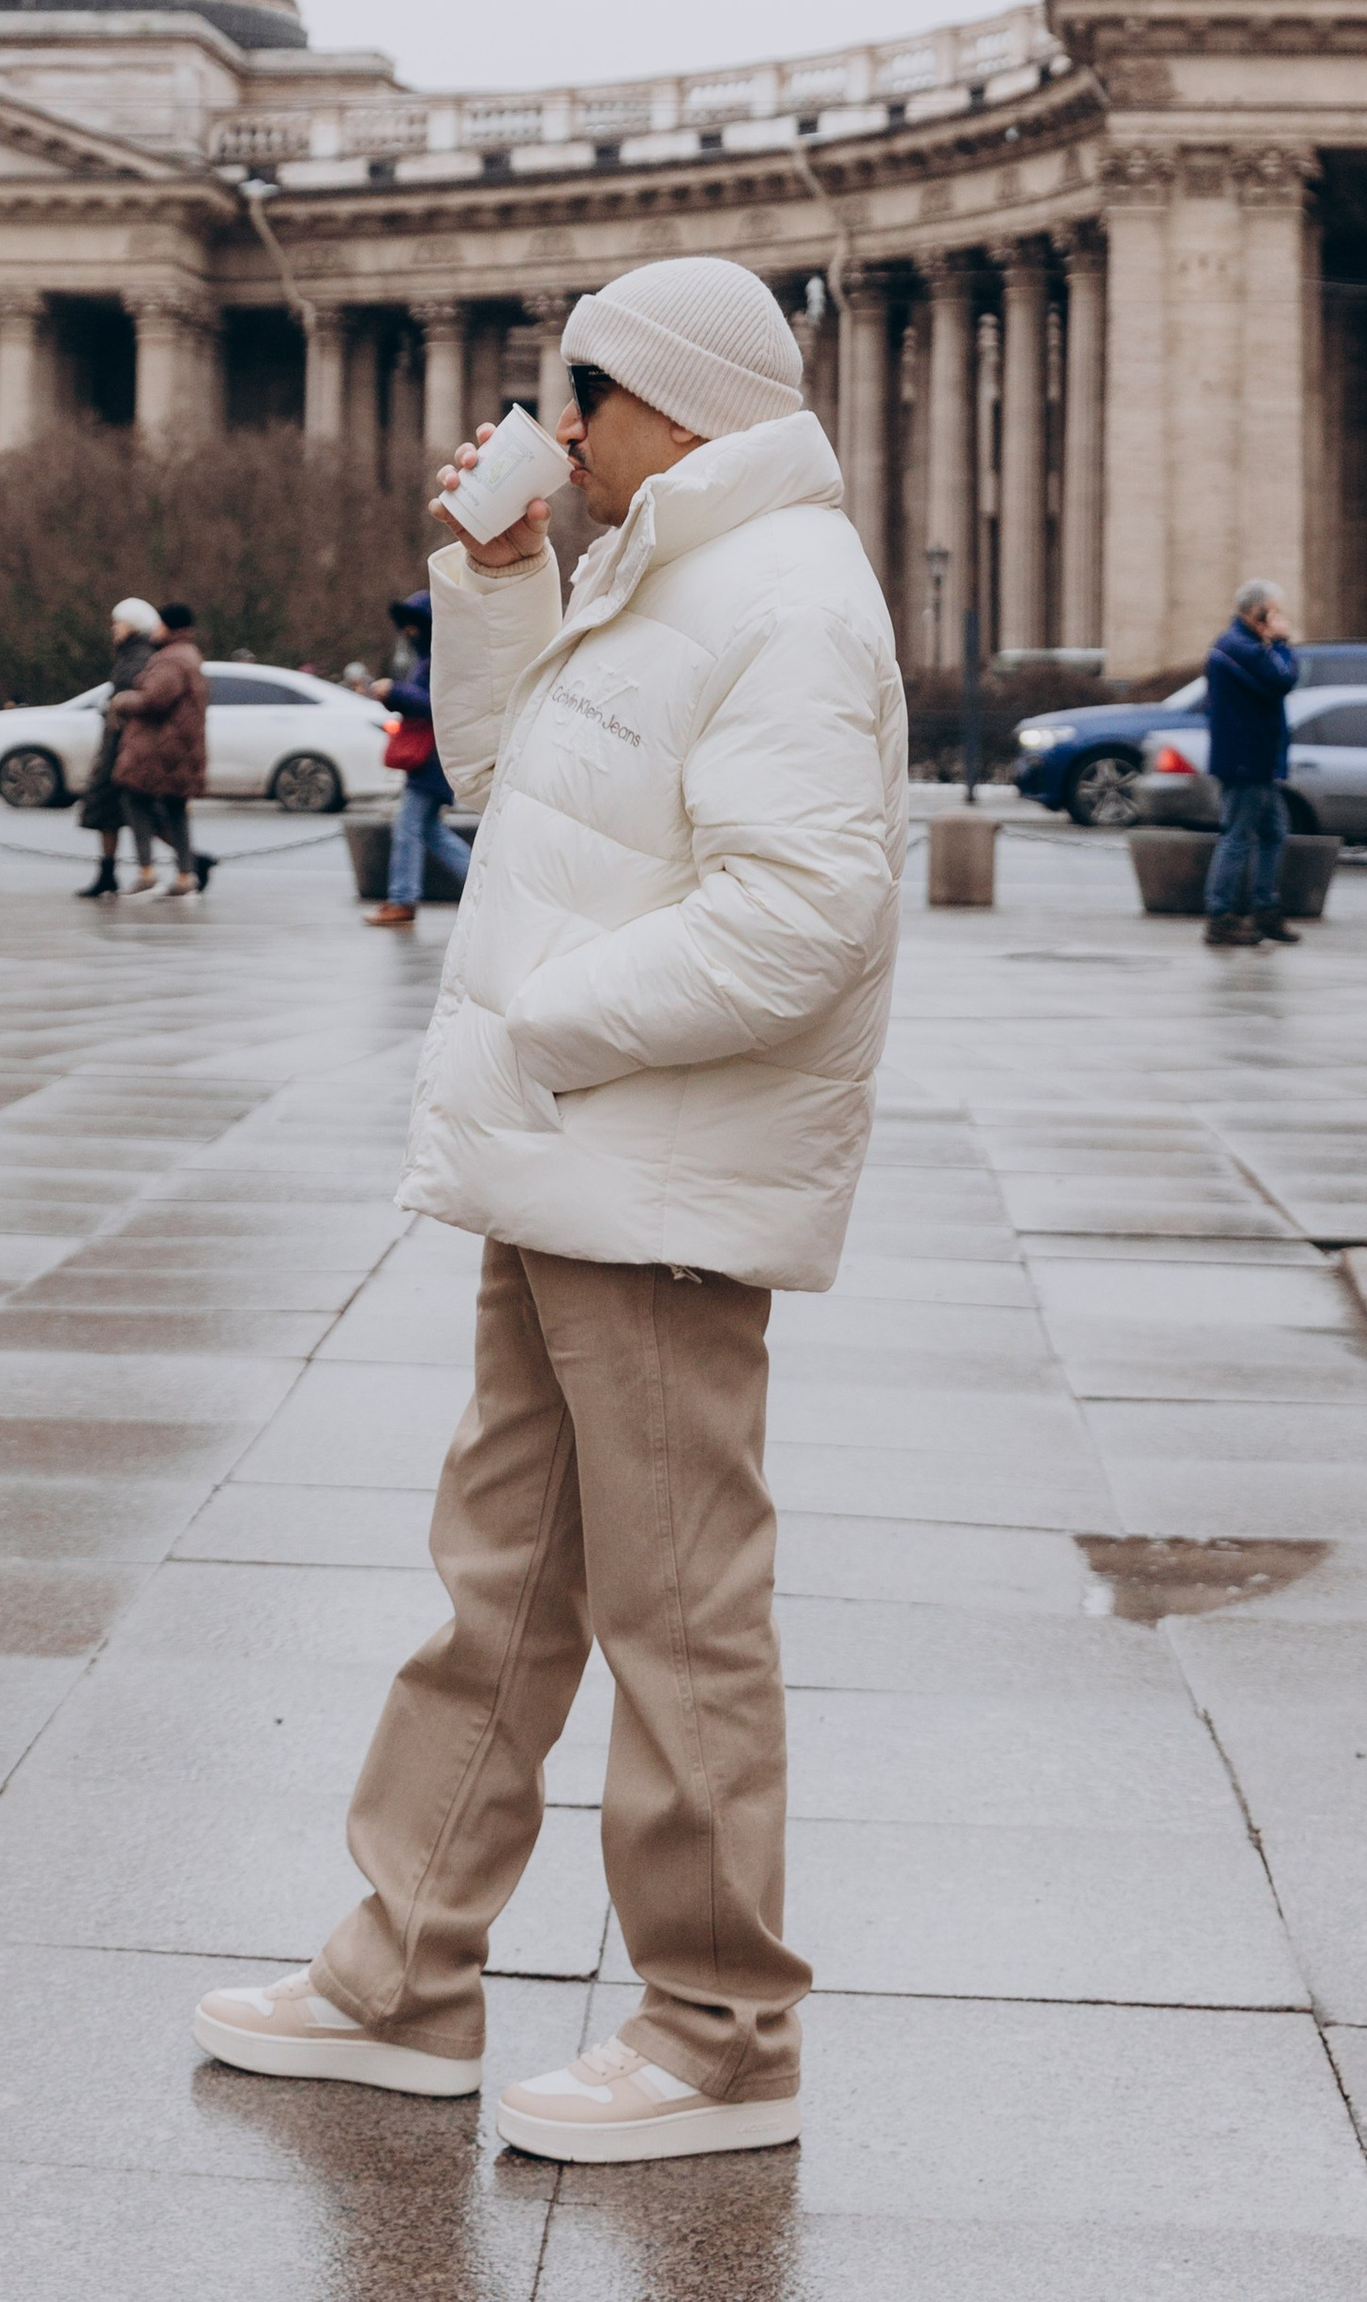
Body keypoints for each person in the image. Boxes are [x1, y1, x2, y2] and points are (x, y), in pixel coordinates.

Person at [195, 255, 907, 2166]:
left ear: (665, 396)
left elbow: (804, 917)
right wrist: (496, 586)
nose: (556, 425)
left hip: (649, 1168)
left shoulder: (783, 599)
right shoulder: (666, 572)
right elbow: (516, 799)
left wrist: (550, 1026)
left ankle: (719, 2030)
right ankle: (401, 1975)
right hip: (577, 1158)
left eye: (578, 393)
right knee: (502, 1590)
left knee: (680, 1618)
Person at [1203, 577, 1301, 949]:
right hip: (1246, 759)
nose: (1280, 617)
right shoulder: (1238, 647)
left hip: (1257, 758)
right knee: (1238, 836)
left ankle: (1265, 907)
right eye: (1275, 610)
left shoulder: (1242, 645)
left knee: (1274, 831)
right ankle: (1221, 915)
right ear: (1257, 612)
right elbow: (1283, 679)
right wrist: (1282, 642)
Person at [366, 591, 467, 930]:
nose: (409, 633)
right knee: (429, 831)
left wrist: (394, 691)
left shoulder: (436, 659)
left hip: (430, 758)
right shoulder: (434, 657)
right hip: (433, 756)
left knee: (408, 829)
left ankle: (402, 900)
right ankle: (480, 885)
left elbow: (434, 702)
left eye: (414, 626)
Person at [114, 598, 209, 901]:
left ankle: (147, 872)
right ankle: (184, 874)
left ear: (168, 627)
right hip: (180, 746)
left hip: (160, 747)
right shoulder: (190, 654)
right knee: (175, 809)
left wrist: (122, 700)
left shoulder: (170, 659)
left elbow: (153, 699)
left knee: (135, 801)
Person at [77, 599, 161, 899]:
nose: (114, 628)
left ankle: (193, 862)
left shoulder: (139, 657)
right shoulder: (130, 655)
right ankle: (107, 872)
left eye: (119, 622)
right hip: (118, 745)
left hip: (126, 747)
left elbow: (133, 704)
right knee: (108, 812)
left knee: (148, 814)